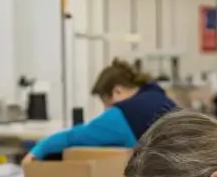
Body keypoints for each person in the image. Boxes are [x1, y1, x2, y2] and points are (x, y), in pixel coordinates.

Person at [26, 58, 177, 160]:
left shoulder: (122, 113)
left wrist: (37, 151)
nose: (106, 110)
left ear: (117, 91)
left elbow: (72, 138)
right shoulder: (159, 98)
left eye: (106, 102)